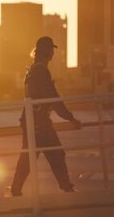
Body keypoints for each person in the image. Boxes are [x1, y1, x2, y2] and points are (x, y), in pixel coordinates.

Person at [10, 36, 81, 196]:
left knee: (29, 157)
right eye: (51, 50)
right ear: (47, 52)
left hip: (32, 120)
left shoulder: (33, 69)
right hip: (39, 122)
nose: (53, 54)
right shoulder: (41, 71)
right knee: (54, 153)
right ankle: (67, 188)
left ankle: (16, 190)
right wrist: (70, 118)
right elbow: (53, 98)